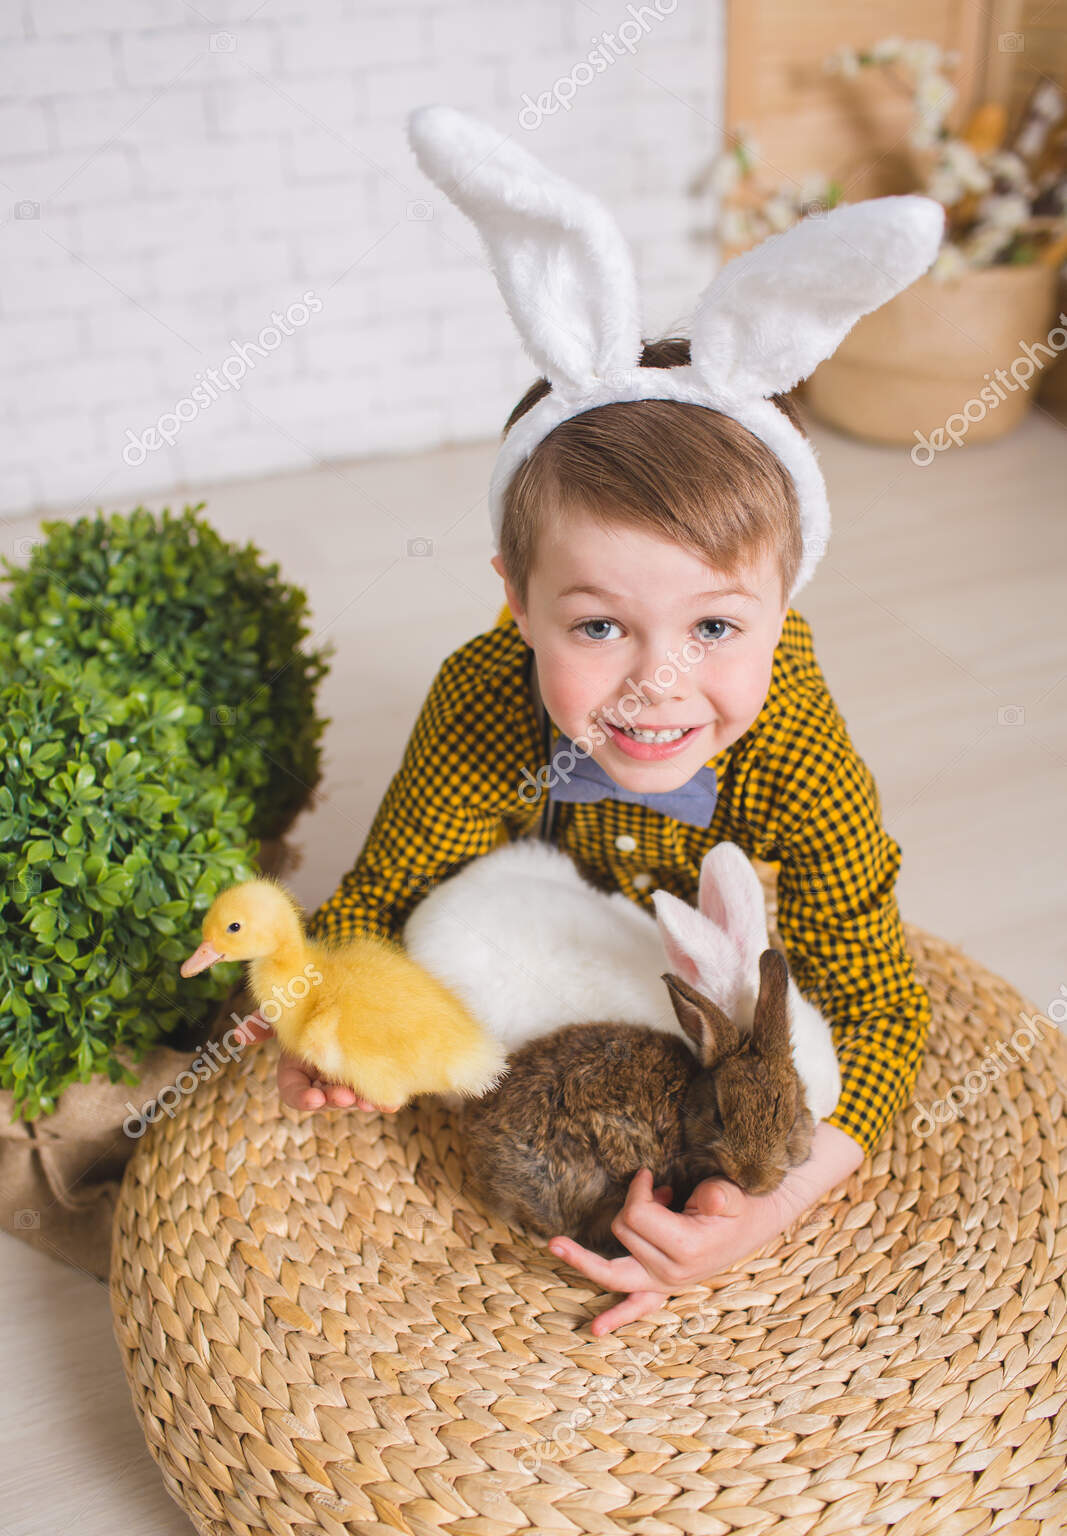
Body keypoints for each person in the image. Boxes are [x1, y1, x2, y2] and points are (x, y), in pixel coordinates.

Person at [236, 337, 931, 1335]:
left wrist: (763, 1207)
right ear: (517, 600)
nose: (658, 685)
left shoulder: (797, 754)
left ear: (783, 607)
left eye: (715, 628)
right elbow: (390, 882)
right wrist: (320, 1003)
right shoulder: (483, 698)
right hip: (540, 913)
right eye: (599, 626)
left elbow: (877, 1011)